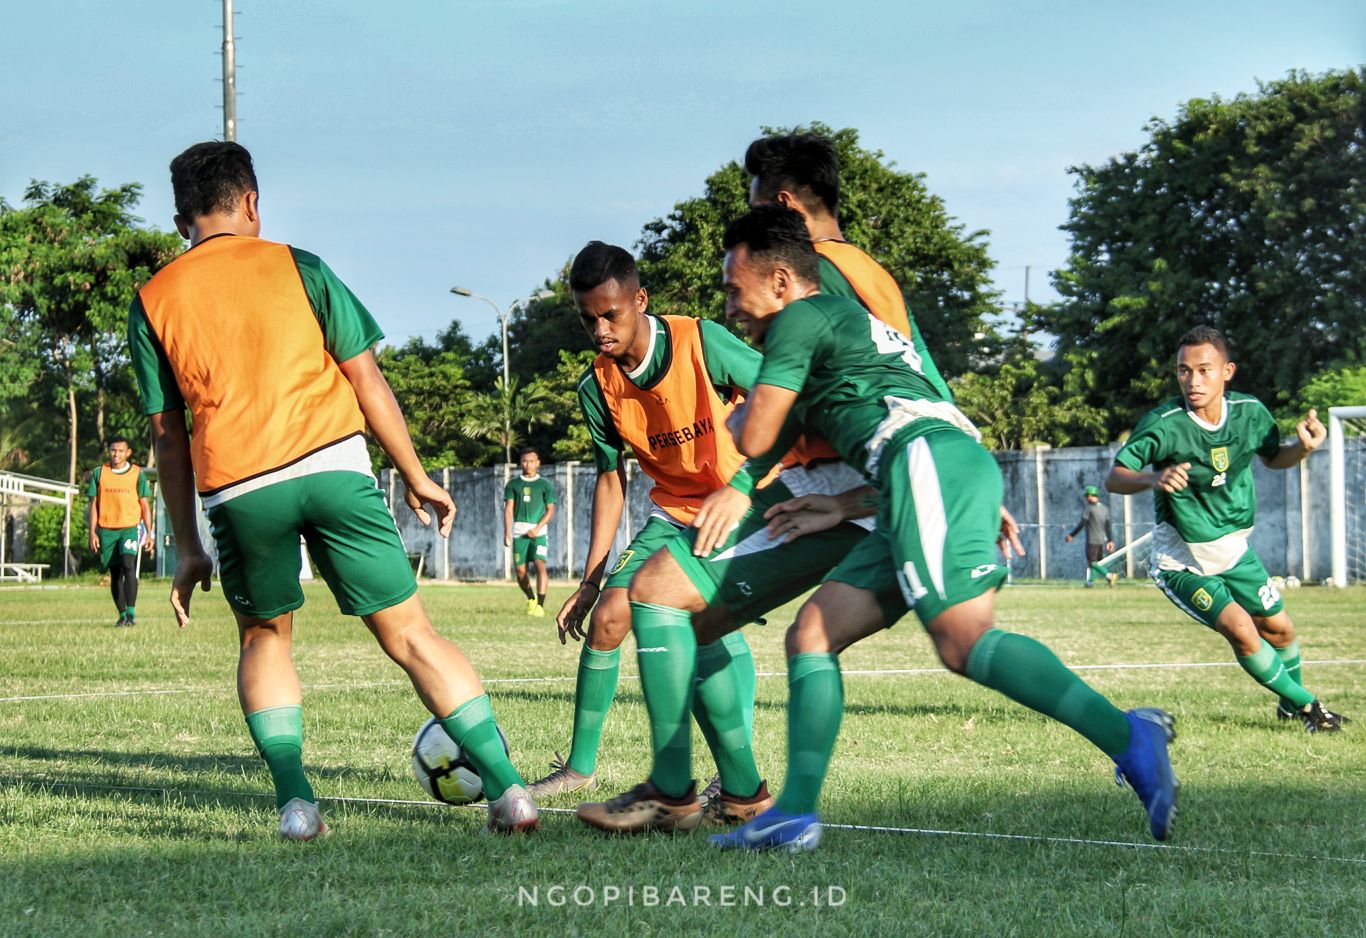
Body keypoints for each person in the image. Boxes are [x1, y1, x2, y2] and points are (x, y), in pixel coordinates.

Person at [703, 207, 1178, 852]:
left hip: (928, 465)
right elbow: (890, 418)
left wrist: (739, 429)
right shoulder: (842, 332)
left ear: (781, 280)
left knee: (962, 640)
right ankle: (794, 814)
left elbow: (754, 434)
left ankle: (1132, 738)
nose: (731, 305)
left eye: (735, 288)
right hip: (925, 472)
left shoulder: (801, 318)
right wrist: (841, 506)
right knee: (813, 632)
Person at [128, 141, 537, 839]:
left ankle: (297, 806)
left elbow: (167, 438)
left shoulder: (153, 299)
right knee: (411, 633)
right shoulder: (301, 266)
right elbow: (366, 378)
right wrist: (415, 476)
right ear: (251, 201)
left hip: (240, 486)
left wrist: (188, 546)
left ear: (179, 219)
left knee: (265, 637)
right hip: (335, 466)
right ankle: (510, 792)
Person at [528, 242, 771, 803]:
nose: (601, 330)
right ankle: (579, 768)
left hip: (738, 501)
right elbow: (611, 481)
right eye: (589, 319)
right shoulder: (598, 386)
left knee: (706, 620)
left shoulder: (699, 341)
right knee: (612, 615)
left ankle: (733, 780)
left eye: (611, 314)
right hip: (674, 510)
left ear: (640, 299)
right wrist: (591, 581)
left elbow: (781, 389)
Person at [1106, 325, 1348, 733]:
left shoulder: (1251, 413)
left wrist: (1303, 448)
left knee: (1280, 629)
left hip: (1234, 550)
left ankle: (1290, 705)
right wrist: (1153, 478)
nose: (1193, 381)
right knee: (1241, 629)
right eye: (1184, 371)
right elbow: (1115, 476)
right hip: (1181, 560)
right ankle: (1311, 709)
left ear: (1227, 371)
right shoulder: (1164, 424)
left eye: (1204, 370)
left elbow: (1274, 458)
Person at [86, 435, 153, 627]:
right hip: (107, 530)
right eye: (113, 450)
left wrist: (149, 532)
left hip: (130, 528)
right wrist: (93, 532)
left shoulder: (137, 474)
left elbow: (145, 505)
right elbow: (94, 505)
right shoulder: (99, 473)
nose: (117, 454)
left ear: (128, 452)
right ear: (109, 451)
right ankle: (122, 615)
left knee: (128, 565)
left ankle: (131, 614)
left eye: (121, 451)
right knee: (115, 573)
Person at [503, 447, 556, 616]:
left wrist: (538, 528)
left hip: (539, 533)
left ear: (538, 463)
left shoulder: (545, 485)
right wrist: (507, 532)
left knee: (540, 564)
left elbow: (550, 510)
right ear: (520, 463)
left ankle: (540, 604)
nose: (528, 464)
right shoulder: (513, 484)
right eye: (525, 461)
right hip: (519, 533)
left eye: (532, 461)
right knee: (520, 572)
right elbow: (508, 509)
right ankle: (531, 597)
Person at [1065, 485, 1116, 587]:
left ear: (1089, 496)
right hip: (1102, 540)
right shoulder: (1105, 509)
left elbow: (1082, 523)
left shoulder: (1089, 508)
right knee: (1095, 561)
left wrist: (1071, 535)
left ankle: (1109, 575)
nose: (1086, 499)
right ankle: (1090, 582)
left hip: (1092, 540)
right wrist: (1110, 540)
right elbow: (1108, 526)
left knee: (1092, 562)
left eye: (1086, 496)